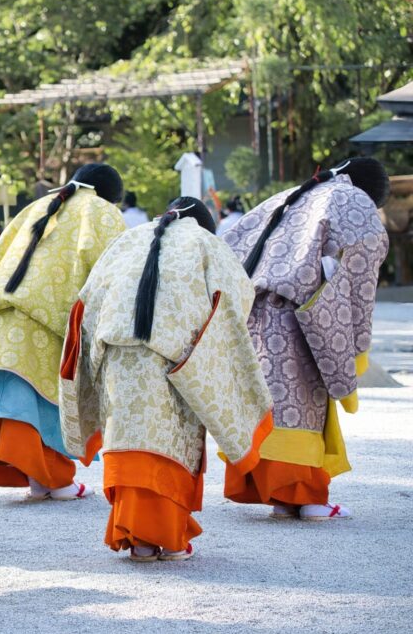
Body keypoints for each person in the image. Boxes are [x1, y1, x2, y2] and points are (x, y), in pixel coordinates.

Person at [59, 197, 272, 561]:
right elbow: (235, 300)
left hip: (116, 354)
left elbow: (88, 299)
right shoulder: (206, 243)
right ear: (203, 223)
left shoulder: (126, 240)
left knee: (127, 432)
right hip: (175, 359)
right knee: (171, 439)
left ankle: (135, 535)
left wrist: (96, 356)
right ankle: (165, 535)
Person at [222, 158, 390, 521]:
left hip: (253, 316)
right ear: (372, 194)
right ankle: (307, 497)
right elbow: (360, 279)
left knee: (270, 402)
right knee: (303, 405)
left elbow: (230, 243)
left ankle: (281, 497)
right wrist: (356, 346)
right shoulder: (353, 201)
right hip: (301, 317)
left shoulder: (295, 195)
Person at [0, 164, 124, 501]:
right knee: (44, 404)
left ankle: (40, 481)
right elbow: (116, 270)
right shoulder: (101, 211)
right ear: (109, 195)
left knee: (15, 403)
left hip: (2, 321)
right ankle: (54, 480)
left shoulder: (38, 205)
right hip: (44, 324)